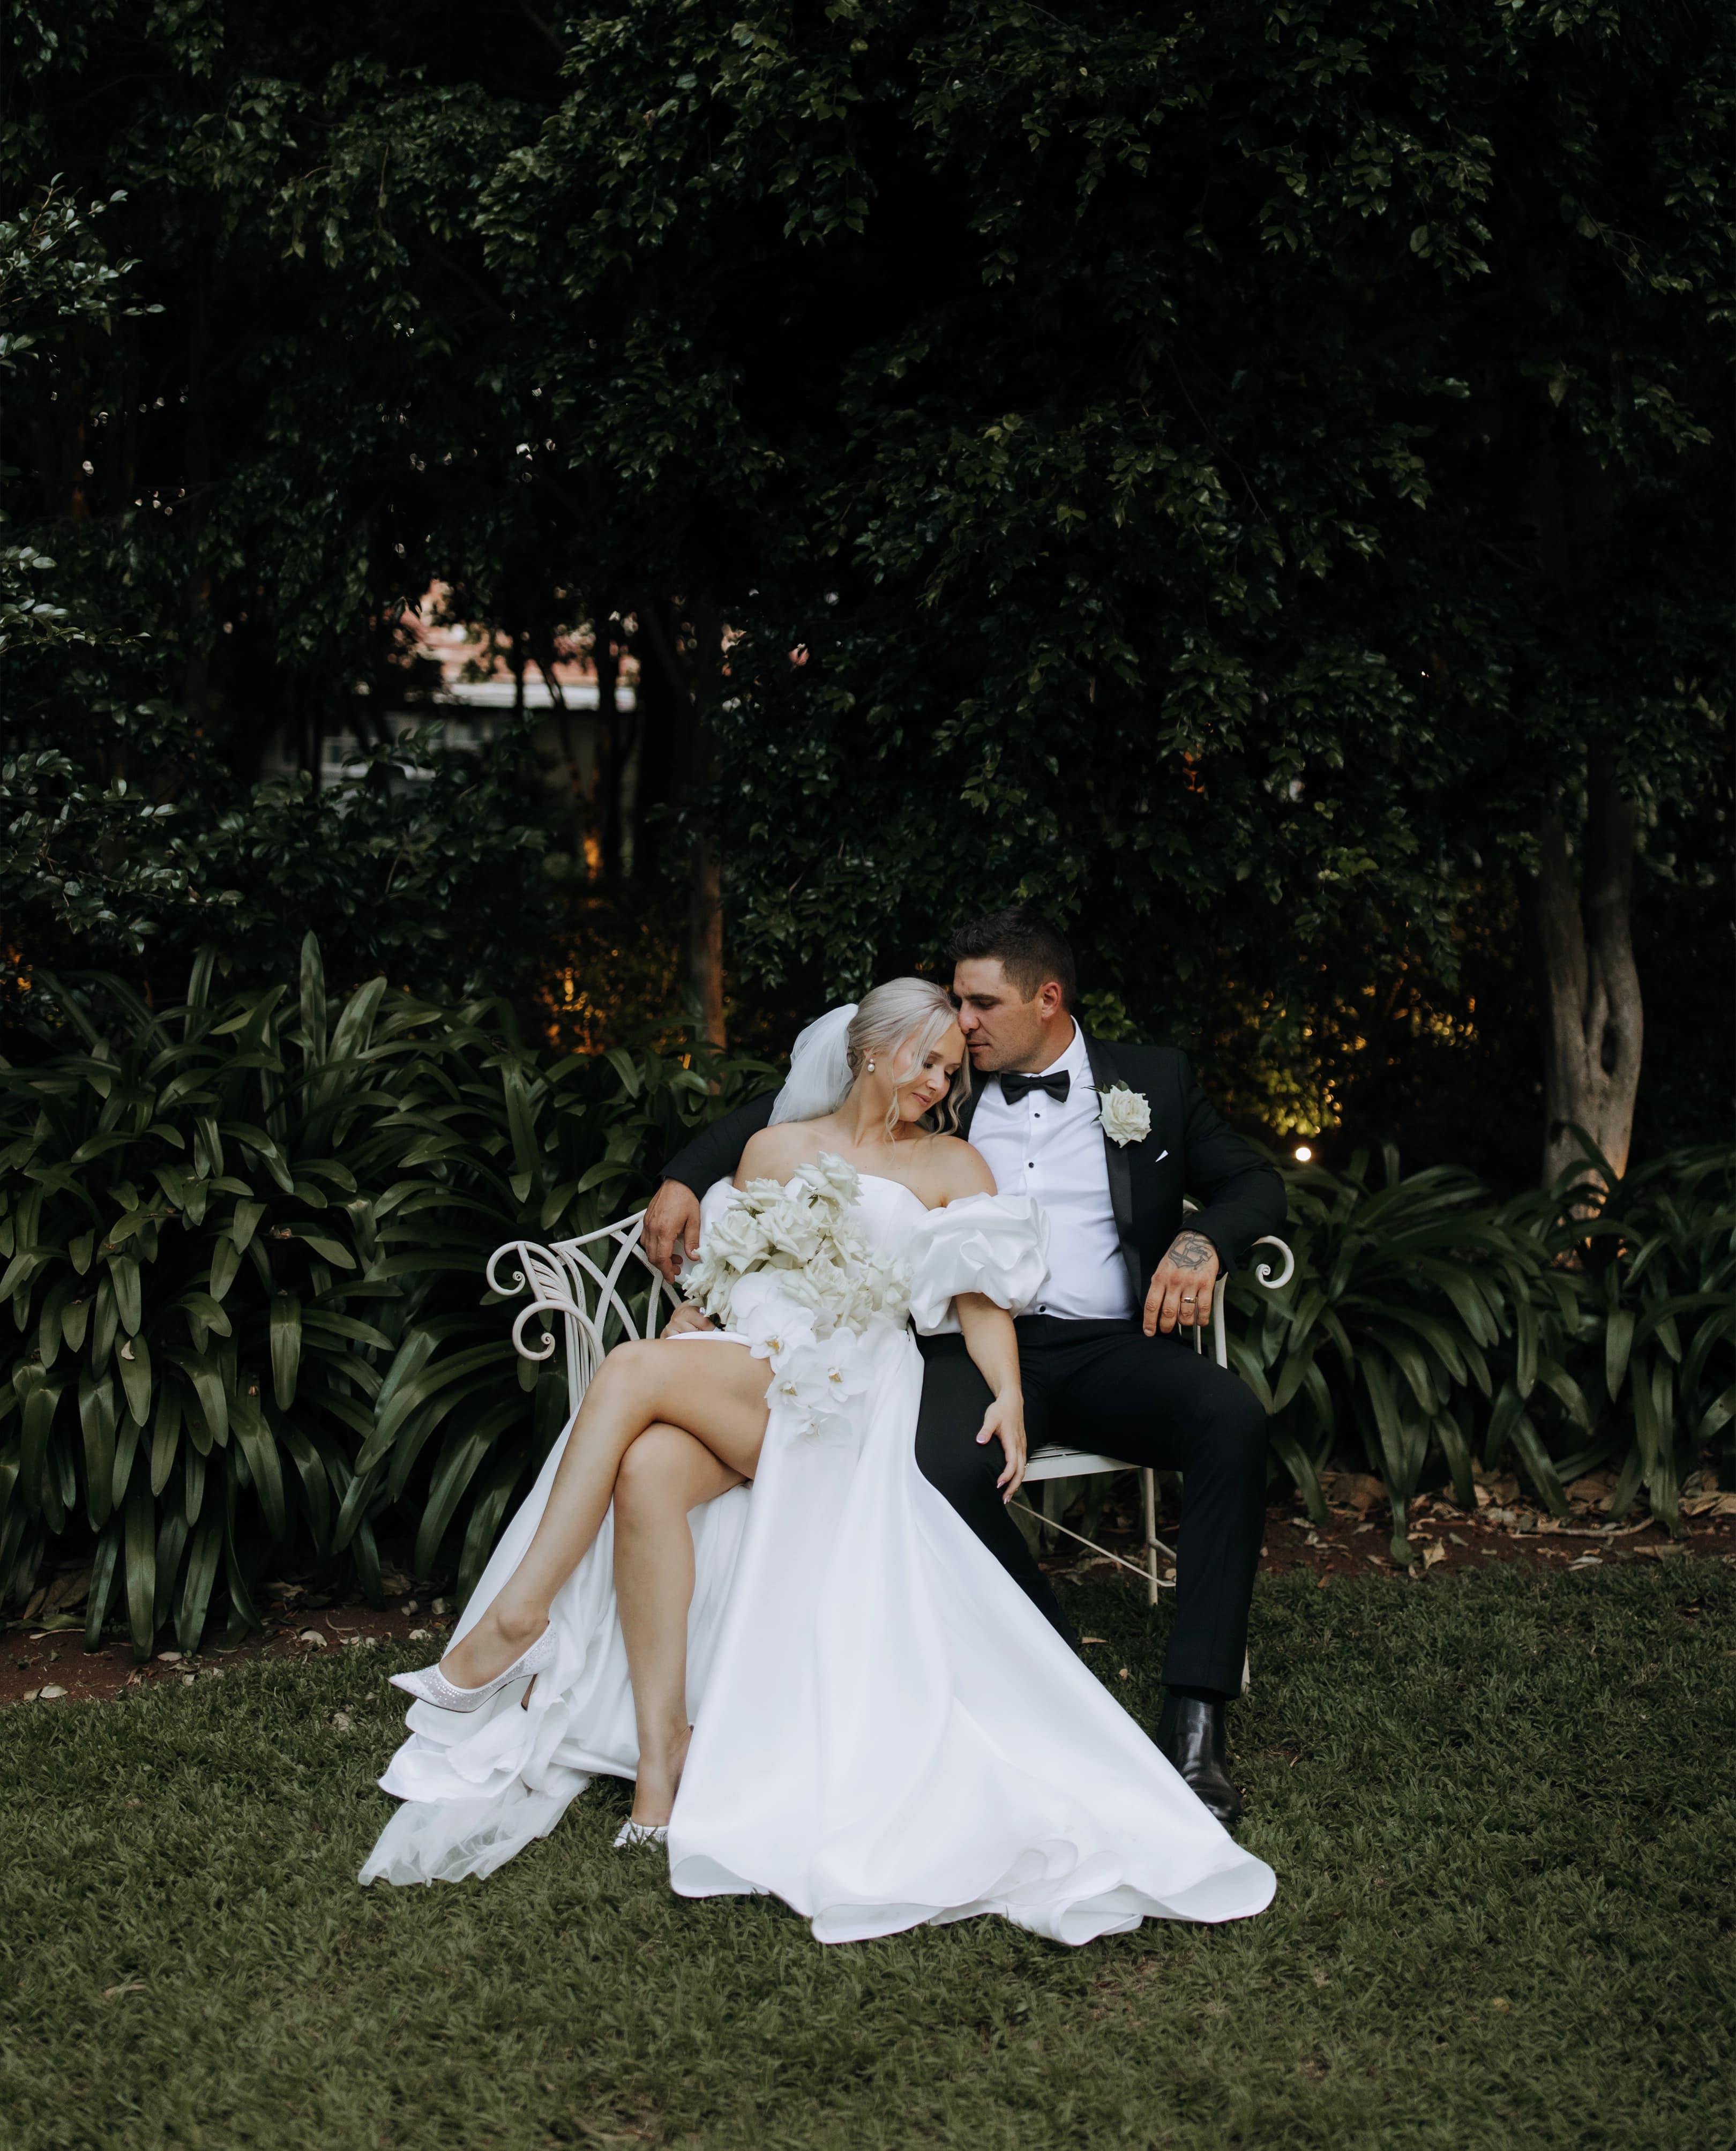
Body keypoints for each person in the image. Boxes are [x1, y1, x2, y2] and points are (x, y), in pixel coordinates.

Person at [362, 979, 1276, 1945]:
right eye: (926, 1061)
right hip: (744, 1361)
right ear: (868, 1052)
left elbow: (977, 1300)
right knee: (647, 1473)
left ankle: (516, 1617)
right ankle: (662, 1771)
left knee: (629, 1370)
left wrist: (1006, 1392)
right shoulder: (770, 1150)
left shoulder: (954, 1166)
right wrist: (697, 1314)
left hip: (840, 1383)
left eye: (951, 1069)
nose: (939, 1081)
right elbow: (729, 1268)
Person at [644, 907, 1286, 1824]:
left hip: (1108, 1347)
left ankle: (1195, 1720)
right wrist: (683, 1174)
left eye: (982, 1003)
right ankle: (1062, 1678)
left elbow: (1253, 1179)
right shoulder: (941, 1083)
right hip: (965, 1345)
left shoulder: (1151, 1080)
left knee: (1232, 1417)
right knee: (936, 1465)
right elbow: (793, 1112)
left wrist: (1202, 1241)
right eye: (956, 1004)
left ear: (1047, 999)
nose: (964, 1024)